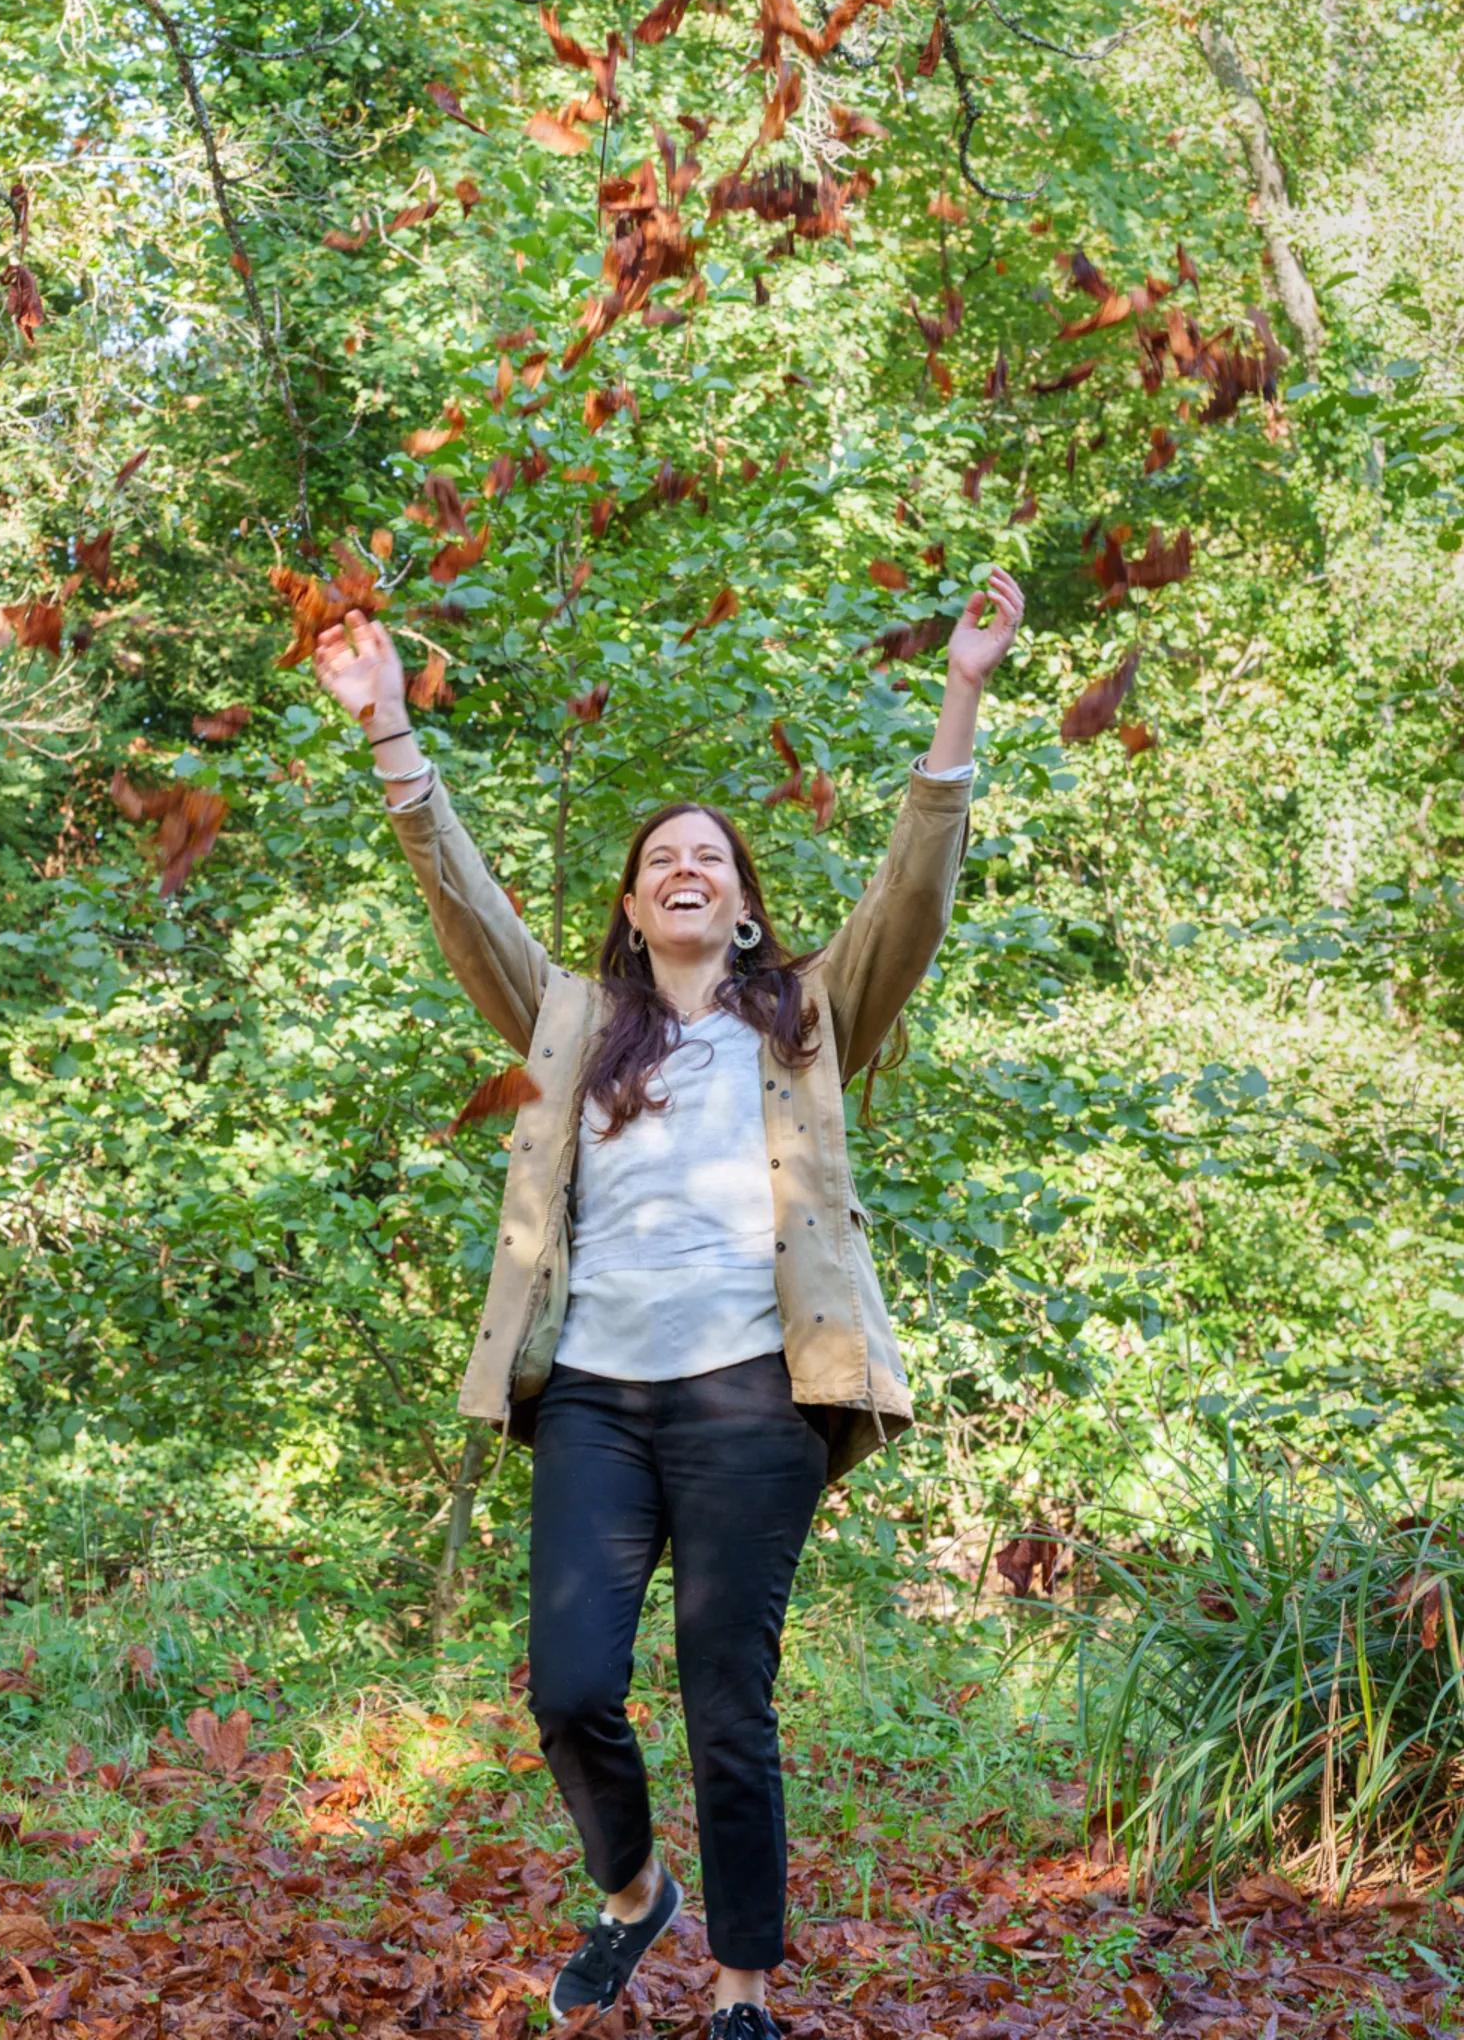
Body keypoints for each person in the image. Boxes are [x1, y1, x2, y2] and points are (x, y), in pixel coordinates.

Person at [313, 566, 1024, 2040]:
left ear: (747, 907)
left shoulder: (811, 1017)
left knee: (728, 1703)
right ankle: (637, 1897)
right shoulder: (572, 1020)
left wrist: (959, 694)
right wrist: (390, 728)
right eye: (662, 862)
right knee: (570, 1684)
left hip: (755, 1397)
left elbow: (913, 889)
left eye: (715, 858)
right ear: (633, 911)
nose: (689, 869)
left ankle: (744, 1993)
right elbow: (467, 904)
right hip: (594, 1397)